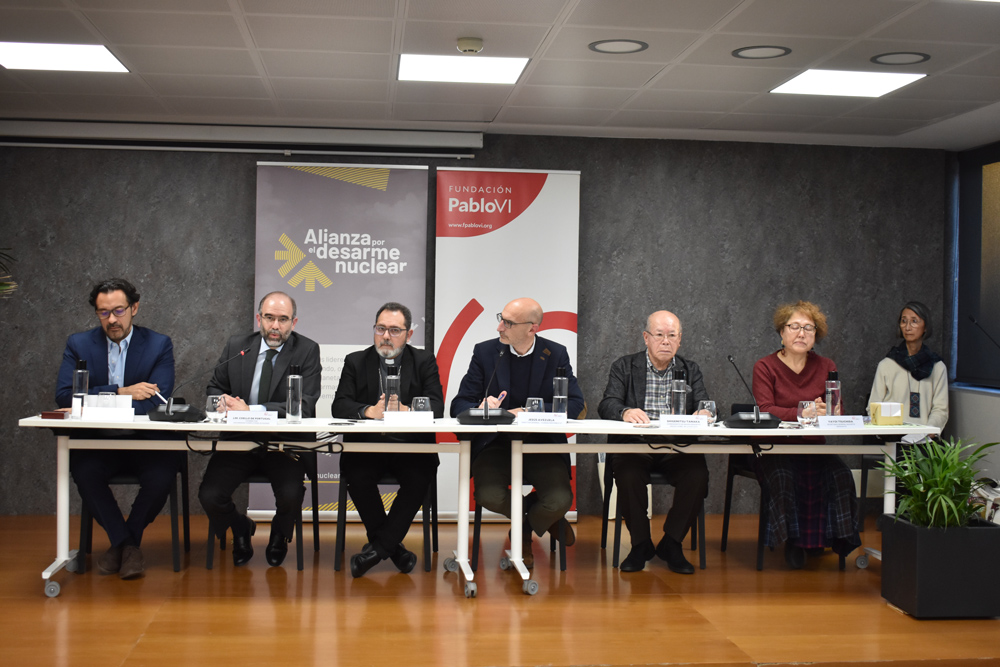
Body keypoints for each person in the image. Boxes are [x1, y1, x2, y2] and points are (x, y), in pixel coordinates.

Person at [55, 278, 178, 580]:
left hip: (145, 441)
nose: (112, 319)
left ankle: (124, 542)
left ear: (134, 308)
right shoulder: (79, 344)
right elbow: (64, 396)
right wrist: (121, 392)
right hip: (98, 442)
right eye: (103, 312)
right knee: (84, 472)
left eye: (119, 310)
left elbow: (153, 402)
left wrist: (93, 399)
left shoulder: (158, 344)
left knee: (162, 475)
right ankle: (128, 546)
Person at [451, 298, 585, 568]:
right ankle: (537, 525)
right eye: (501, 318)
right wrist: (480, 406)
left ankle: (522, 531)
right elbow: (459, 405)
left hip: (541, 445)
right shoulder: (485, 352)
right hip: (495, 445)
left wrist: (531, 412)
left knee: (559, 500)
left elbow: (575, 404)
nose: (500, 327)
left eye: (508, 323)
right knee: (489, 495)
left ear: (532, 328)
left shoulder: (555, 354)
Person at [198, 291, 321, 567]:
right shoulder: (238, 346)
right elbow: (214, 387)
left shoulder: (307, 350)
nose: (275, 326)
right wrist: (221, 402)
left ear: (294, 322)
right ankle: (241, 527)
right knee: (209, 495)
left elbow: (305, 405)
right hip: (239, 442)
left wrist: (251, 411)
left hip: (283, 445)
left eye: (282, 319)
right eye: (269, 318)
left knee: (291, 495)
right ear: (259, 318)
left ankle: (279, 534)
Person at [332, 302, 444, 577]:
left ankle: (377, 550)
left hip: (411, 447)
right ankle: (393, 549)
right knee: (356, 475)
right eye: (381, 328)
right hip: (367, 447)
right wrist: (368, 411)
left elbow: (437, 406)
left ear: (409, 334)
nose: (386, 336)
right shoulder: (356, 361)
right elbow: (340, 405)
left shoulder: (423, 361)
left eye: (394, 330)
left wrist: (407, 410)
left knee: (420, 476)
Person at [597, 310, 710, 574]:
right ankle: (640, 545)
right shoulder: (624, 366)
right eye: (659, 335)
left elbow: (706, 404)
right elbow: (607, 403)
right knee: (627, 473)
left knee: (697, 474)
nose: (666, 342)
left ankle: (672, 542)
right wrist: (624, 411)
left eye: (672, 336)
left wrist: (705, 412)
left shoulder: (690, 369)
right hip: (637, 443)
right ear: (646, 338)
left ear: (680, 340)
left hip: (677, 446)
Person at [752, 300, 860, 569]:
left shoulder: (826, 365)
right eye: (795, 327)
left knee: (841, 476)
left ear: (816, 335)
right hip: (776, 449)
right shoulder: (764, 367)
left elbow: (837, 411)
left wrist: (827, 412)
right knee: (783, 477)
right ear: (781, 332)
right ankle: (793, 542)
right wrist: (805, 412)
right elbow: (766, 410)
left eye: (808, 328)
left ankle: (826, 539)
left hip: (814, 447)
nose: (801, 333)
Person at [868, 301, 948, 429]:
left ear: (926, 327)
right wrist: (889, 434)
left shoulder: (937, 367)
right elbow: (873, 406)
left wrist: (927, 433)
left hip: (925, 440)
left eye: (914, 321)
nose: (907, 327)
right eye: (904, 321)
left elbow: (941, 409)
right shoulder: (887, 364)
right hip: (892, 439)